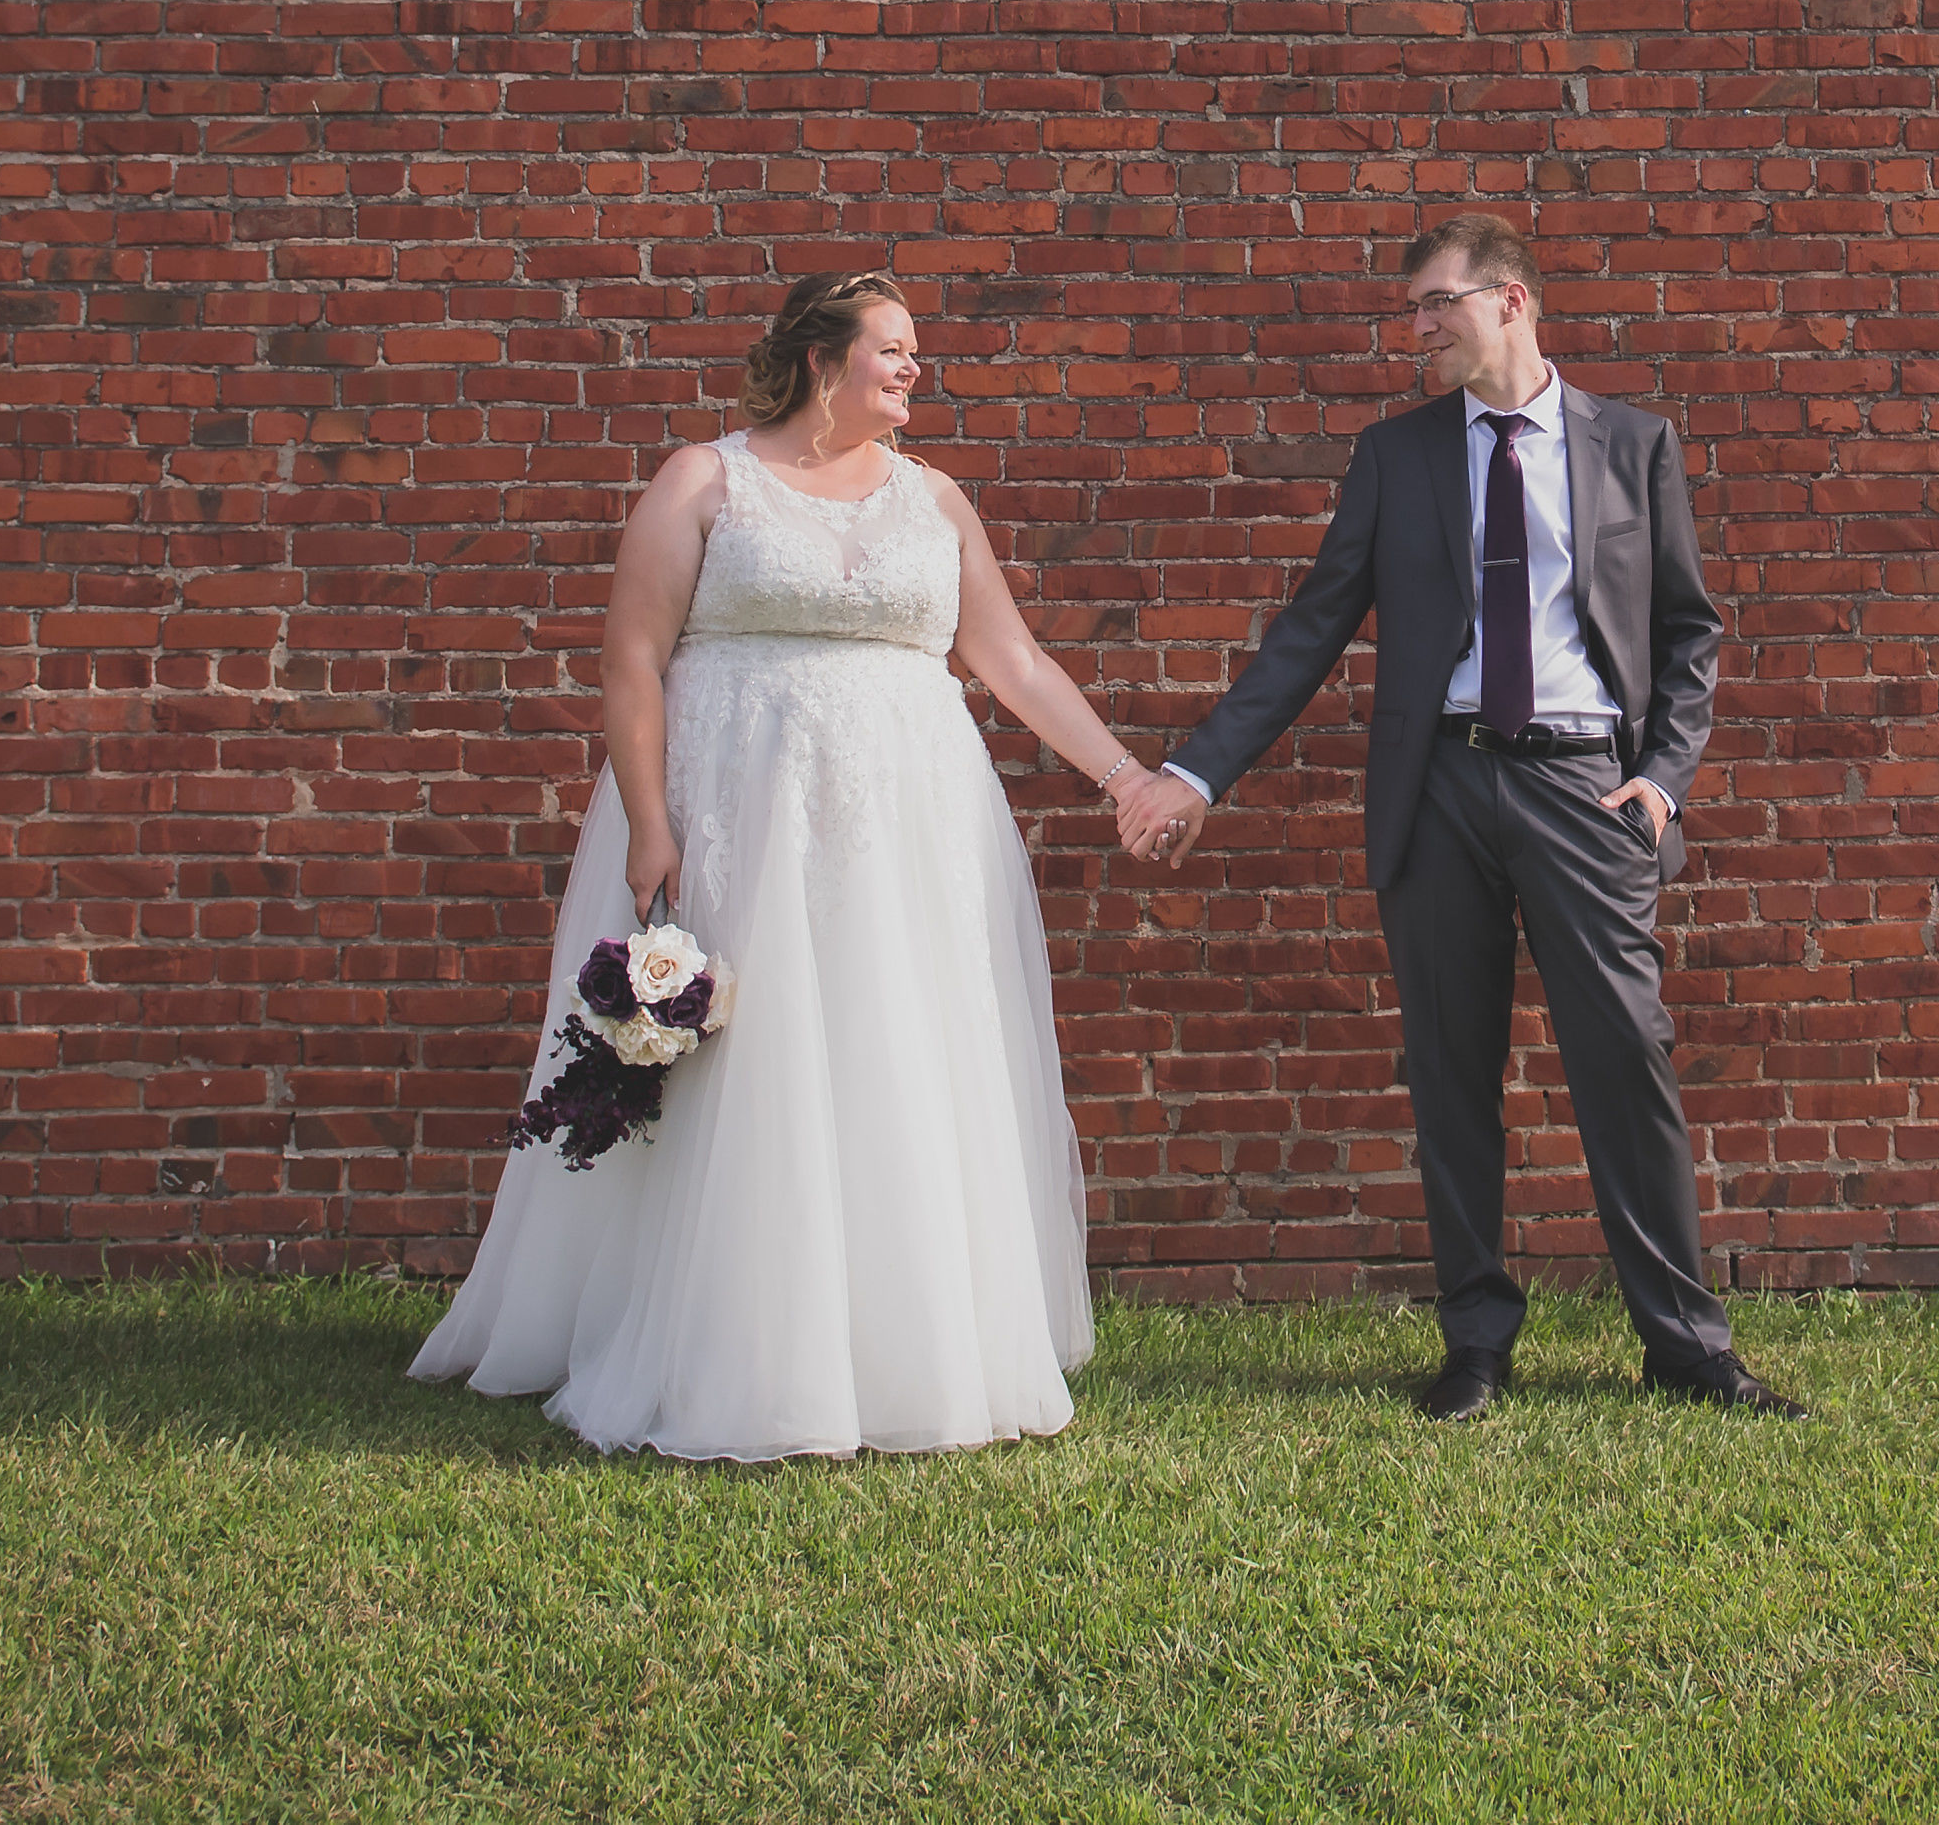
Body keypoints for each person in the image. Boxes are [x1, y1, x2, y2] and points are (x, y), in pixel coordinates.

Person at [411, 268, 1181, 1460]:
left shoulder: (935, 499)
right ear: (824, 360)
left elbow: (1013, 662)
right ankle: (725, 1344)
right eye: (893, 347)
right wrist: (652, 821)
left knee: (896, 1054)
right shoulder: (704, 480)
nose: (914, 366)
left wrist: (1123, 773)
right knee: (748, 1066)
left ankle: (899, 1346)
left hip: (905, 830)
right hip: (740, 814)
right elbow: (630, 658)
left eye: (915, 349)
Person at [1128, 212, 1803, 1420]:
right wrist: (1195, 771)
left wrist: (1663, 778)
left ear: (1509, 301)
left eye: (1436, 302)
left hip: (1584, 788)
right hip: (1437, 786)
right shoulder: (1396, 456)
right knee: (1450, 1071)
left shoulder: (1630, 443)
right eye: (1413, 311)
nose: (1419, 327)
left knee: (1623, 1060)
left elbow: (1688, 630)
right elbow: (1309, 630)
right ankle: (1475, 1342)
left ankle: (1684, 1344)